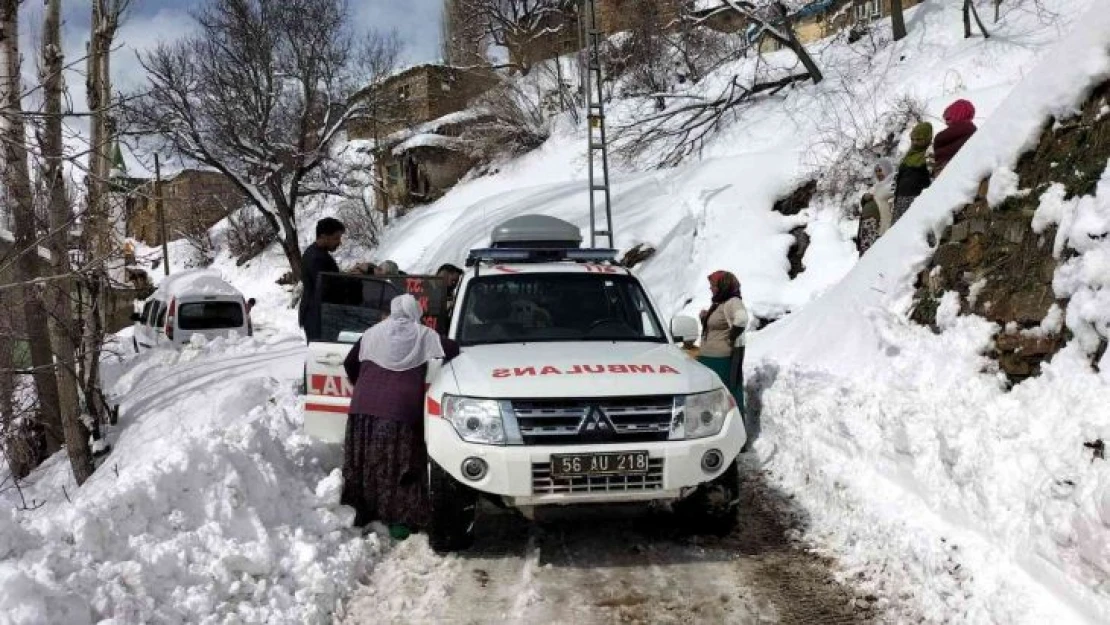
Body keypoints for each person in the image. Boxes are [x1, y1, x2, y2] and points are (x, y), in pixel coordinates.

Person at [342, 294, 459, 540]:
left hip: (362, 408)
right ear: (414, 312)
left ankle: (362, 514)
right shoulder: (422, 334)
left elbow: (349, 362)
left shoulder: (372, 333)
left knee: (366, 463)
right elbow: (453, 350)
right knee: (399, 466)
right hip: (400, 411)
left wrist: (361, 383)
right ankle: (400, 522)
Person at [698, 271, 749, 417]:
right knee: (712, 397)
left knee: (727, 396)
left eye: (713, 285)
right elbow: (717, 326)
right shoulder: (720, 302)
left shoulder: (733, 301)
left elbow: (741, 319)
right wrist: (705, 318)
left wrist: (730, 338)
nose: (711, 288)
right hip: (709, 359)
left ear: (723, 285)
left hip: (722, 361)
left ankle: (735, 433)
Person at [299, 218, 344, 339]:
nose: (339, 242)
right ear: (324, 236)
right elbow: (327, 288)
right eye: (336, 238)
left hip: (318, 314)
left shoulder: (315, 253)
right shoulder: (317, 258)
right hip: (318, 316)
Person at [892, 122, 934, 223]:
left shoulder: (930, 154)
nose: (915, 142)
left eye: (919, 139)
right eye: (913, 139)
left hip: (917, 202)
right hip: (900, 202)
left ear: (927, 139)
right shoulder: (908, 156)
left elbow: (933, 180)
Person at [856, 158, 895, 255]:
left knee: (873, 254)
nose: (878, 174)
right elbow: (867, 200)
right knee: (865, 254)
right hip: (867, 226)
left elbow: (892, 199)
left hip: (879, 225)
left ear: (887, 169)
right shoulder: (876, 186)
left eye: (880, 170)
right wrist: (865, 197)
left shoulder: (893, 183)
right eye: (876, 171)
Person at [933, 99, 977, 174]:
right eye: (945, 119)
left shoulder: (972, 140)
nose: (946, 123)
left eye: (948, 118)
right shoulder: (970, 137)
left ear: (959, 115)